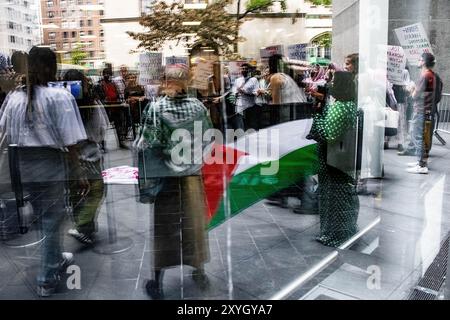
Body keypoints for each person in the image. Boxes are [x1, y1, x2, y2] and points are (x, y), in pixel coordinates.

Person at [0, 47, 87, 296]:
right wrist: (79, 172)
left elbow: (3, 132)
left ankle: (56, 257)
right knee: (51, 219)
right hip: (48, 164)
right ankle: (47, 277)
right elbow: (71, 142)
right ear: (50, 68)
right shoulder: (58, 97)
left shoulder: (14, 97)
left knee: (44, 216)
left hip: (20, 165)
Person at [136, 64, 212, 300]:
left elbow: (147, 146)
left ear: (166, 82)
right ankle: (199, 272)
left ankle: (157, 282)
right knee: (194, 227)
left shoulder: (156, 109)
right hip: (192, 176)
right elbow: (208, 137)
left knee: (164, 229)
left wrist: (145, 185)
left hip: (167, 179)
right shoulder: (198, 107)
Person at [307, 71, 360, 247]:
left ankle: (333, 235)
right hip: (344, 159)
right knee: (343, 195)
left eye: (334, 81)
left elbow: (329, 135)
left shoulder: (339, 107)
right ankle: (346, 229)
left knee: (332, 197)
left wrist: (317, 117)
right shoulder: (350, 105)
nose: (330, 84)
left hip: (331, 159)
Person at [63, 69, 109, 245]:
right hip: (90, 154)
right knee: (97, 190)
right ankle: (83, 225)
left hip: (69, 155)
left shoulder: (62, 105)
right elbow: (101, 129)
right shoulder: (91, 104)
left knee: (76, 192)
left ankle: (84, 227)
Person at [401, 53, 441, 174]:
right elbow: (437, 96)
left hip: (421, 110)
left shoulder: (425, 76)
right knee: (423, 137)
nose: (418, 61)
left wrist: (411, 88)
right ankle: (420, 161)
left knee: (418, 137)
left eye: (419, 59)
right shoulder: (434, 75)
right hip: (429, 110)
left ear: (423, 62)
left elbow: (414, 95)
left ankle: (421, 165)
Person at [97, 68, 130, 149]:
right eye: (105, 74)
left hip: (115, 107)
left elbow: (117, 94)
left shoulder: (113, 83)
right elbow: (100, 96)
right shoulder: (100, 84)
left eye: (108, 74)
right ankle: (102, 145)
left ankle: (121, 142)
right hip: (106, 108)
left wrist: (119, 101)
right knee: (103, 126)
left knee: (119, 125)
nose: (107, 75)